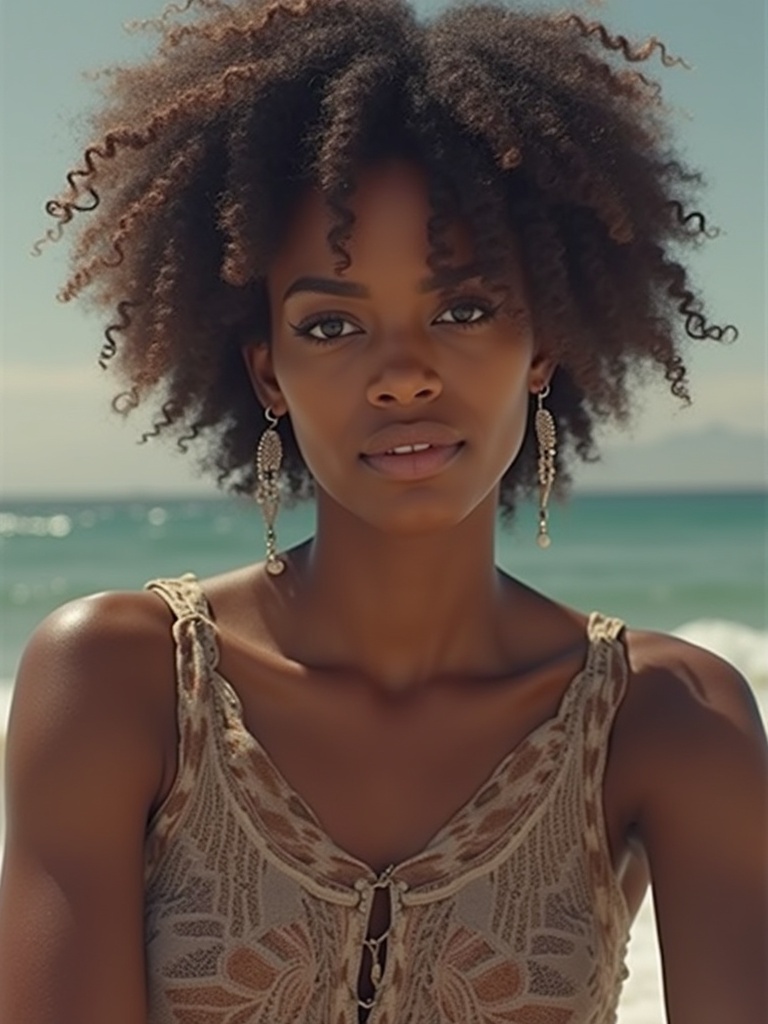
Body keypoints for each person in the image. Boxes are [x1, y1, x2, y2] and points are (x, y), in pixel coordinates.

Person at [0, 0, 766, 1021]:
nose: (403, 374)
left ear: (541, 347)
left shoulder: (669, 720)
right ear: (267, 374)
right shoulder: (118, 681)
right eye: (331, 323)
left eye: (462, 309)